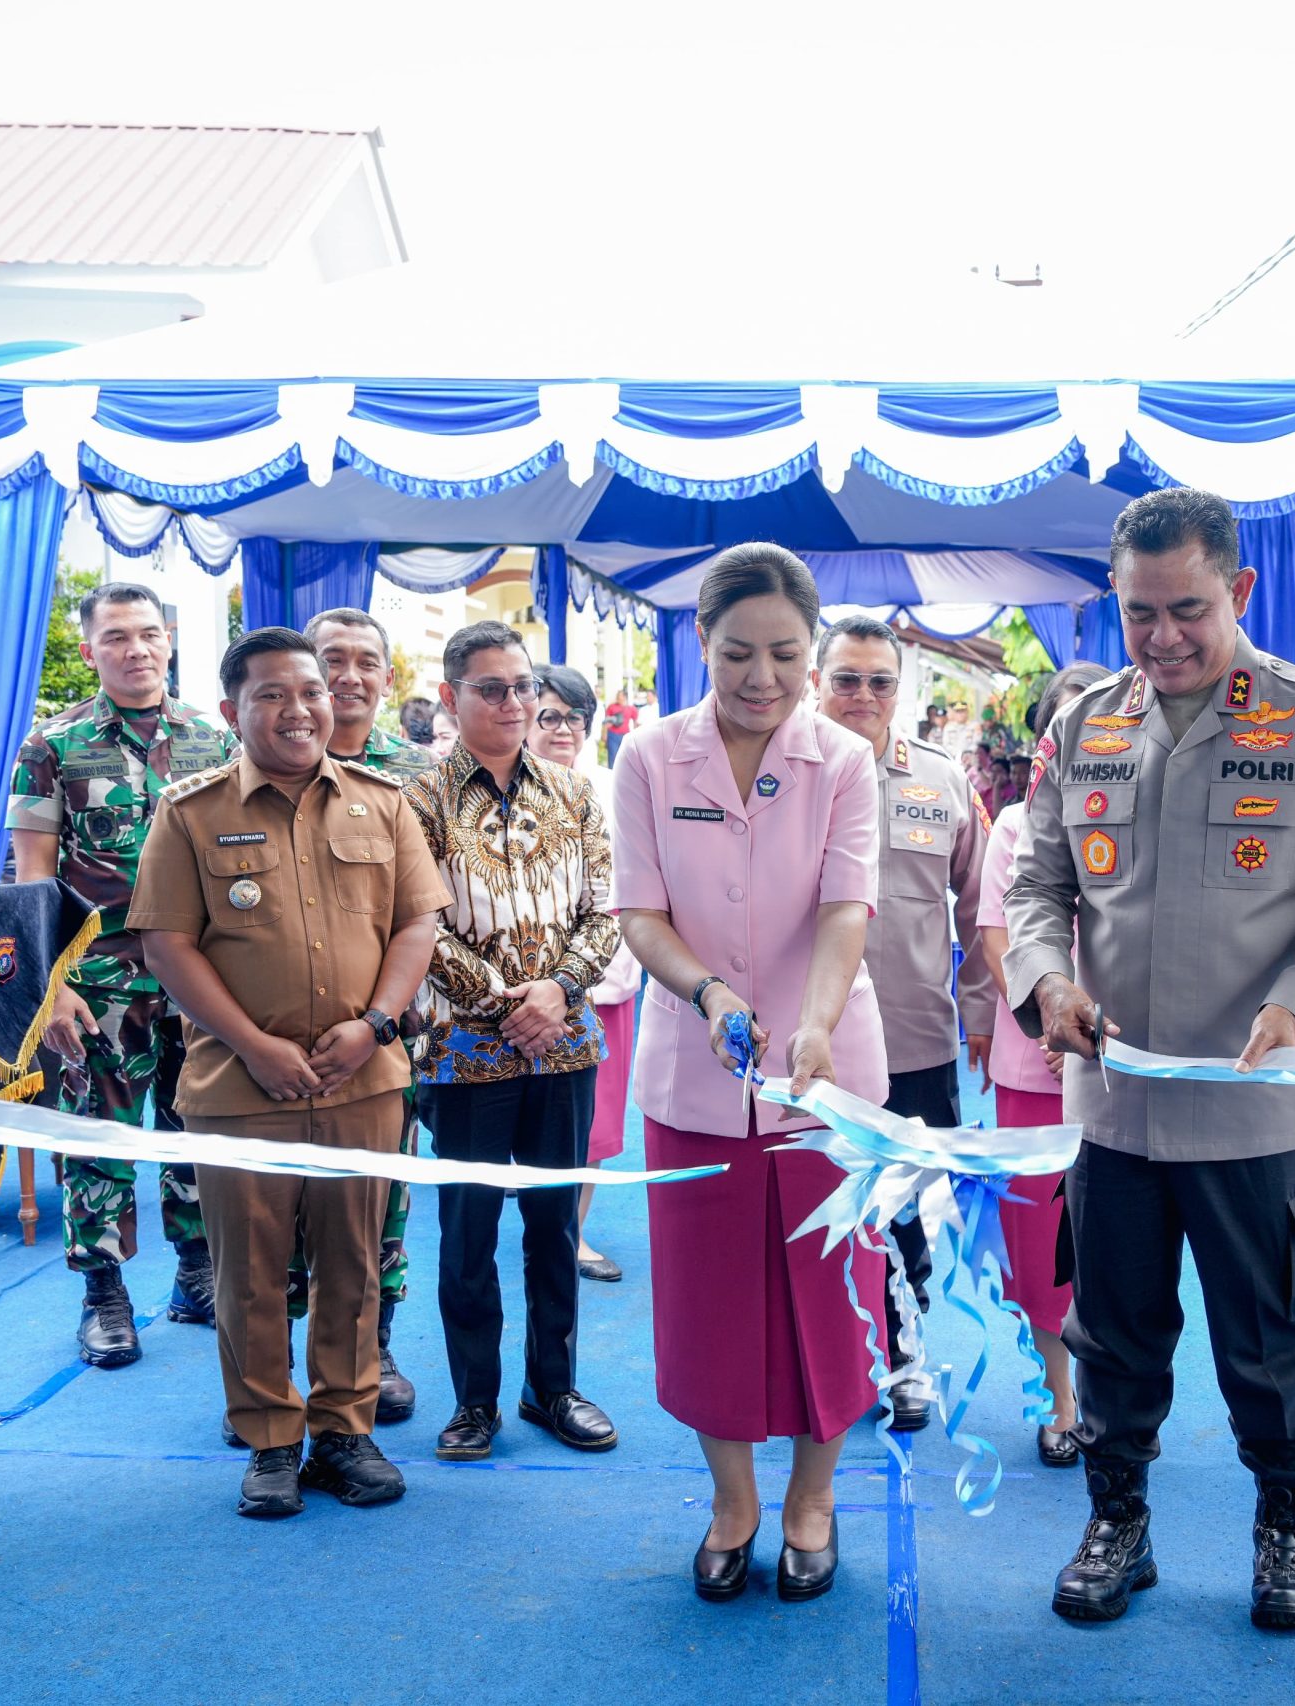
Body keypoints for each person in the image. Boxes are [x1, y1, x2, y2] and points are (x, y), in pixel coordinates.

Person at [1005, 488, 1295, 1632]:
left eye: (1187, 608)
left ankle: (1288, 1525)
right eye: (1139, 613)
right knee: (1112, 1336)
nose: (1162, 636)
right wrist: (1046, 981)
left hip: (1259, 1112)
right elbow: (1036, 887)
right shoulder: (1085, 727)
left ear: (1239, 591)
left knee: (1278, 1341)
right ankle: (1116, 1520)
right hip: (1117, 1108)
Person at [614, 543, 890, 1605]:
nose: (762, 677)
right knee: (709, 1301)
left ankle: (811, 1501)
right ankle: (732, 1502)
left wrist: (811, 1025)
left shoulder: (843, 763)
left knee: (831, 1294)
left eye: (785, 653)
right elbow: (640, 912)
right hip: (694, 1071)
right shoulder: (649, 757)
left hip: (827, 1079)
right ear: (701, 641)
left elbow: (843, 910)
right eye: (738, 653)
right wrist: (708, 993)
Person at [131, 627, 448, 1517]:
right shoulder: (189, 813)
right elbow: (168, 944)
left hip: (364, 1077)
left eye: (310, 690)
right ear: (234, 711)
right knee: (250, 1270)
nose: (300, 707)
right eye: (273, 694)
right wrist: (252, 1046)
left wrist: (375, 1023)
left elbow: (415, 927)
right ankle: (270, 1438)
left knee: (355, 1260)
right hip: (239, 1089)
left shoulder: (385, 804)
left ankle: (345, 1432)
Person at [405, 624, 623, 1463]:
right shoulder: (417, 800)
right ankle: (474, 1402)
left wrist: (559, 993)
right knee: (466, 1232)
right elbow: (418, 923)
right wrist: (506, 1005)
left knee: (553, 1228)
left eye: (524, 687)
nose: (515, 703)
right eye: (492, 688)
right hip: (465, 1053)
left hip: (565, 1045)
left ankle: (552, 1387)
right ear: (453, 697)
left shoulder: (573, 796)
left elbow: (606, 911)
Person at [9, 582, 234, 1367]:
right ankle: (103, 1293)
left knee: (197, 1125)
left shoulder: (216, 738)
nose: (136, 649)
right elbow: (33, 879)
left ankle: (197, 1272)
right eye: (117, 638)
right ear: (89, 651)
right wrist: (53, 982)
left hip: (201, 977)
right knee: (96, 1135)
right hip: (99, 978)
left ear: (168, 640)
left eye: (148, 634)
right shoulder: (53, 745)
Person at [812, 613, 995, 1431]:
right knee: (817, 1206)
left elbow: (979, 899)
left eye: (879, 681)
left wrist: (983, 1010)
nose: (862, 695)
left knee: (909, 1209)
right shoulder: (783, 772)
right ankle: (823, 1361)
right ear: (818, 681)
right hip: (812, 1042)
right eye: (846, 678)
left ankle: (905, 1358)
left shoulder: (941, 779)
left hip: (916, 1033)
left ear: (900, 688)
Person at [287, 607, 439, 1426]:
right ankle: (273, 1370)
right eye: (330, 660)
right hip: (272, 1029)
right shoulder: (257, 758)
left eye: (365, 662)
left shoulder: (417, 773)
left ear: (388, 677)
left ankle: (374, 1349)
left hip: (384, 1029)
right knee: (275, 1200)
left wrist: (381, 1018)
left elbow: (429, 908)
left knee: (382, 1196)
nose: (348, 677)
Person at [975, 660, 1110, 1467]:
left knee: (1126, 1240)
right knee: (1041, 1248)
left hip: (1128, 1065)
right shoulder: (1016, 828)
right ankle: (1060, 1399)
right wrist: (1045, 1023)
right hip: (1038, 1067)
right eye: (1064, 725)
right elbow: (998, 936)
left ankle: (1118, 1396)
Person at [530, 662, 644, 1282]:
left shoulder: (612, 786)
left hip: (602, 985)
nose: (565, 729)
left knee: (594, 1123)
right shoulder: (499, 791)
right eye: (550, 716)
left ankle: (572, 1233)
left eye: (576, 717)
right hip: (520, 995)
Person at [602, 683, 639, 768]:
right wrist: (604, 735)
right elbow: (606, 722)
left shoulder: (631, 709)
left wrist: (636, 735)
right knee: (612, 757)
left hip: (625, 736)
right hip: (613, 735)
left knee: (625, 758)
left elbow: (635, 723)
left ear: (625, 697)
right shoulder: (611, 707)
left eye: (620, 696)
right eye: (617, 696)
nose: (618, 697)